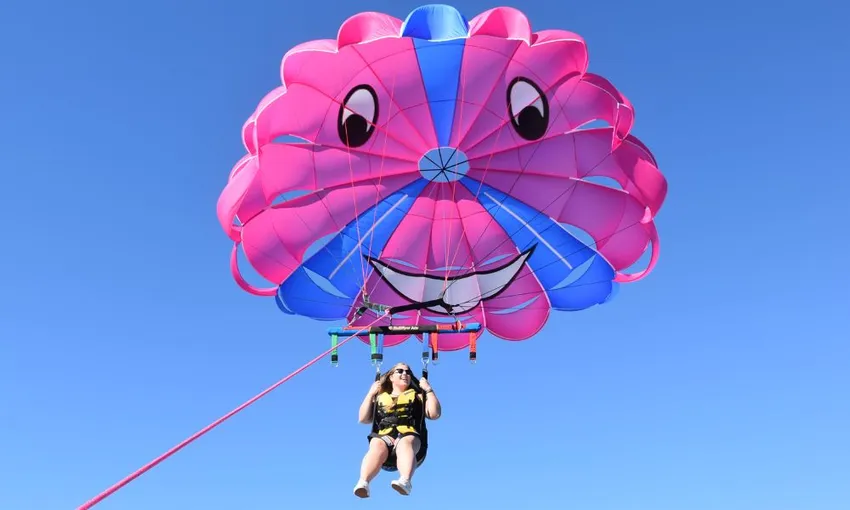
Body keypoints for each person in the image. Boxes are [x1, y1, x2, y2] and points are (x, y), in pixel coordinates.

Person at [353, 362, 441, 497]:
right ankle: (363, 482)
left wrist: (428, 390)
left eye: (408, 372)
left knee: (405, 442)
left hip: (410, 438)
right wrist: (371, 393)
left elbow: (434, 414)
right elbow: (363, 418)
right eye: (400, 371)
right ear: (391, 377)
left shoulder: (418, 396)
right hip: (385, 439)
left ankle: (405, 481)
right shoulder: (379, 397)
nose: (405, 374)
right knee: (376, 443)